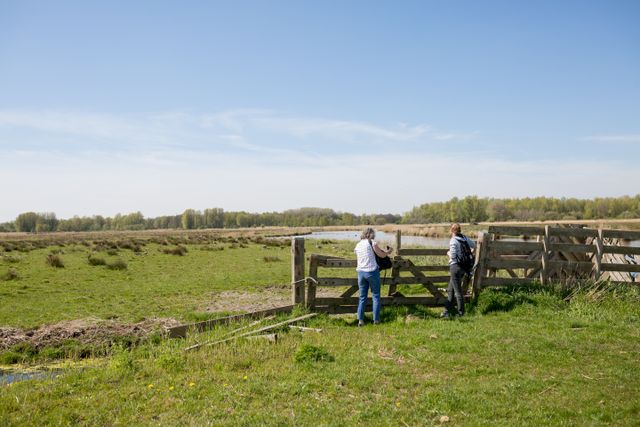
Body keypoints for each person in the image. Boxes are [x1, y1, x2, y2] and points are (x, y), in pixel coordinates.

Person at [354, 227, 393, 326]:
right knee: (376, 296)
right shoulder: (371, 243)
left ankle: (360, 321)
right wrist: (388, 252)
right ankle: (376, 320)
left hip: (361, 273)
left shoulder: (357, 245)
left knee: (362, 297)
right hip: (371, 272)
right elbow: (382, 255)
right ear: (371, 235)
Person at [443, 223, 475, 318]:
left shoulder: (453, 240)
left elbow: (452, 256)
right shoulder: (464, 238)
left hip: (455, 267)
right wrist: (469, 254)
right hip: (464, 267)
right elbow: (474, 245)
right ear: (460, 230)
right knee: (450, 289)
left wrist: (448, 253)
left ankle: (461, 312)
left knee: (458, 291)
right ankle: (447, 310)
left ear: (452, 230)